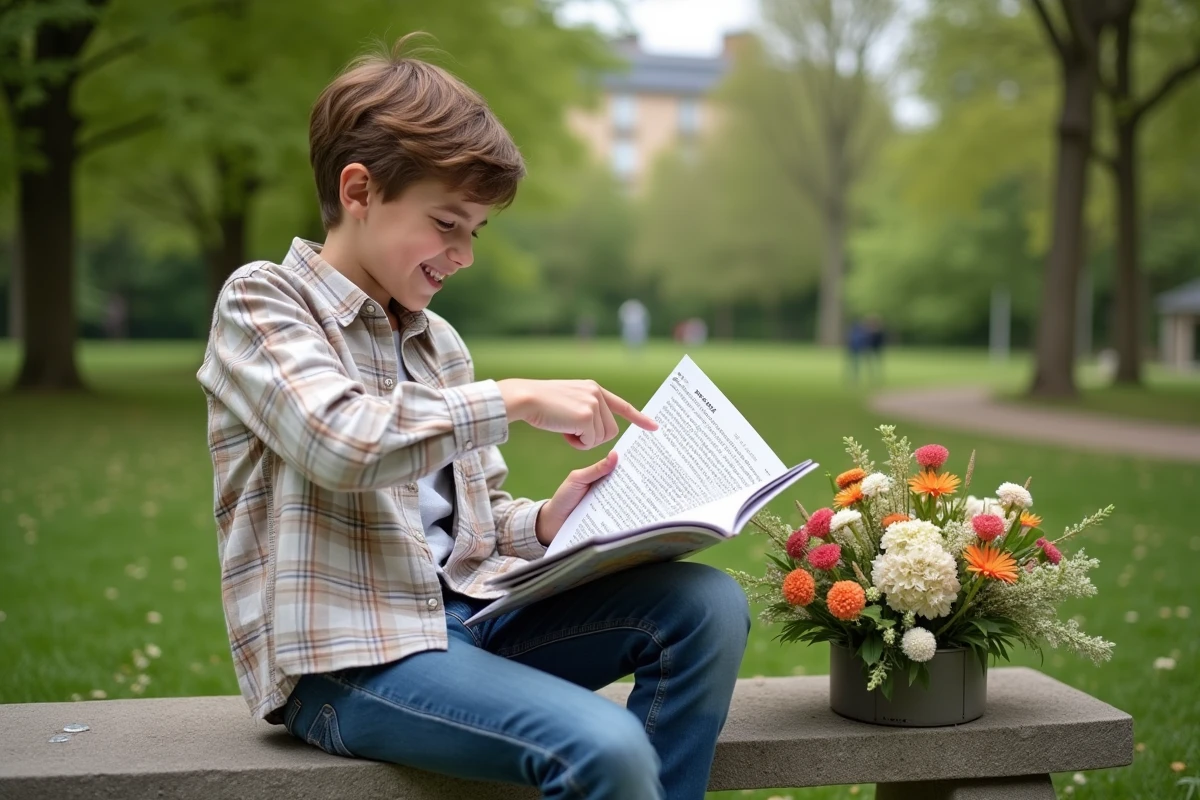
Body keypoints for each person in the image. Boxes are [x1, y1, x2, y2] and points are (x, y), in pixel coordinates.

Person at [196, 37, 749, 800]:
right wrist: (514, 398)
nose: (465, 253)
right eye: (447, 223)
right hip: (346, 665)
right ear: (359, 191)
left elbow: (471, 528)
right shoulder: (262, 303)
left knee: (706, 606)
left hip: (470, 623)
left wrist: (551, 523)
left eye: (476, 231)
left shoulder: (437, 344)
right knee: (606, 746)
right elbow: (341, 443)